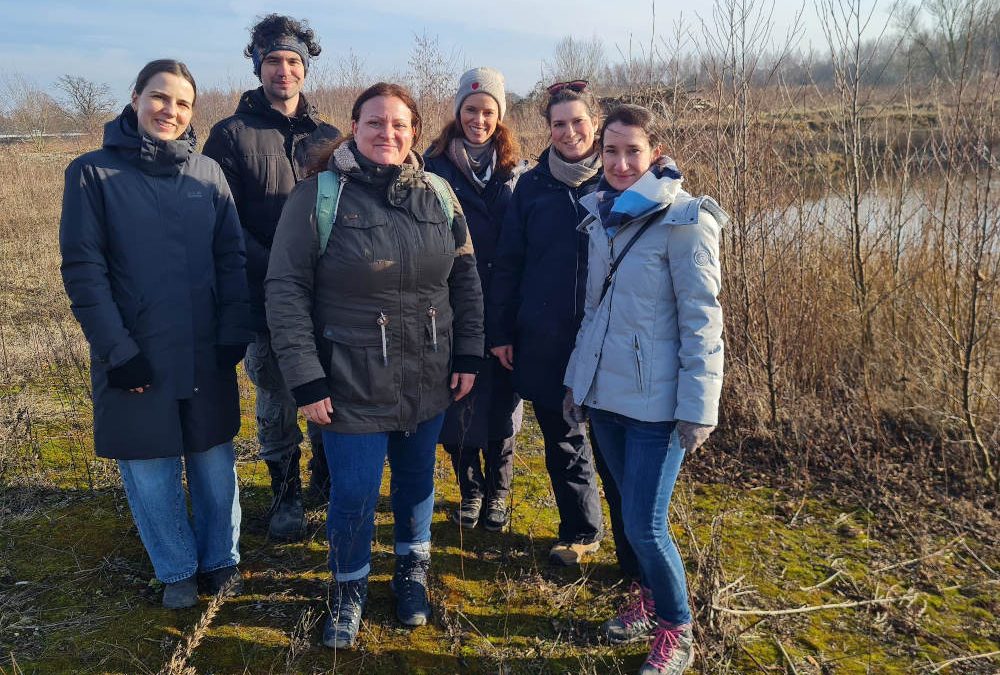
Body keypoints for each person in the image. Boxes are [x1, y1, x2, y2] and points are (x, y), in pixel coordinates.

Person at [265, 83, 484, 649]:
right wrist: (305, 377)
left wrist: (468, 353)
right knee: (356, 493)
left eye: (400, 125)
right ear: (354, 128)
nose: (388, 134)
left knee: (416, 485)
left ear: (414, 131)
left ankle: (412, 573)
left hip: (428, 374)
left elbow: (466, 280)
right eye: (375, 123)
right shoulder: (318, 197)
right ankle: (347, 587)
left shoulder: (438, 194)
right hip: (349, 379)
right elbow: (285, 290)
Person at [59, 60, 251, 609]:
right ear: (136, 98)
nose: (170, 111)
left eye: (183, 103)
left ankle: (220, 559)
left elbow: (231, 258)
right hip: (136, 352)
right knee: (150, 469)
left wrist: (233, 330)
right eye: (160, 98)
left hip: (204, 350)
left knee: (215, 467)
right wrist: (118, 352)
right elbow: (84, 270)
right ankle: (175, 568)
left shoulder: (208, 173)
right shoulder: (92, 173)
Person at [564, 104, 726, 674]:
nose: (621, 162)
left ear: (655, 155)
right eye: (611, 150)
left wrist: (698, 408)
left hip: (657, 407)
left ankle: (677, 628)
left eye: (634, 151)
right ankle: (650, 600)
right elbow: (596, 312)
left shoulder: (684, 220)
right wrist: (576, 383)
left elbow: (703, 320)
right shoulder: (602, 217)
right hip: (606, 399)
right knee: (630, 516)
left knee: (644, 526)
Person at [203, 13, 341, 542]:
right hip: (264, 296)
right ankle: (284, 491)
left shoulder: (328, 137)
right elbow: (225, 218)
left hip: (328, 297)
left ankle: (325, 476)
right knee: (277, 394)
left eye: (292, 61)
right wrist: (279, 270)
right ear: (258, 66)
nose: (283, 71)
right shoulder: (230, 135)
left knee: (329, 387)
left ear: (304, 69)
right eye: (273, 61)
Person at [488, 81, 608, 566]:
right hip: (546, 338)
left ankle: (638, 556)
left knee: (615, 448)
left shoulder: (623, 180)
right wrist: (500, 331)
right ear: (548, 129)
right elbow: (509, 262)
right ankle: (581, 532)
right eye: (559, 123)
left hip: (610, 341)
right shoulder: (533, 186)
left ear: (595, 123)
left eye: (578, 121)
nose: (569, 131)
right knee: (564, 442)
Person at [424, 67, 525, 532]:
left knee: (503, 405)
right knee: (458, 400)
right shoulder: (434, 168)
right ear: (457, 112)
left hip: (505, 304)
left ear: (499, 116)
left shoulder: (517, 173)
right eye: (470, 110)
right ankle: (470, 489)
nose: (478, 119)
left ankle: (499, 492)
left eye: (488, 111)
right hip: (453, 304)